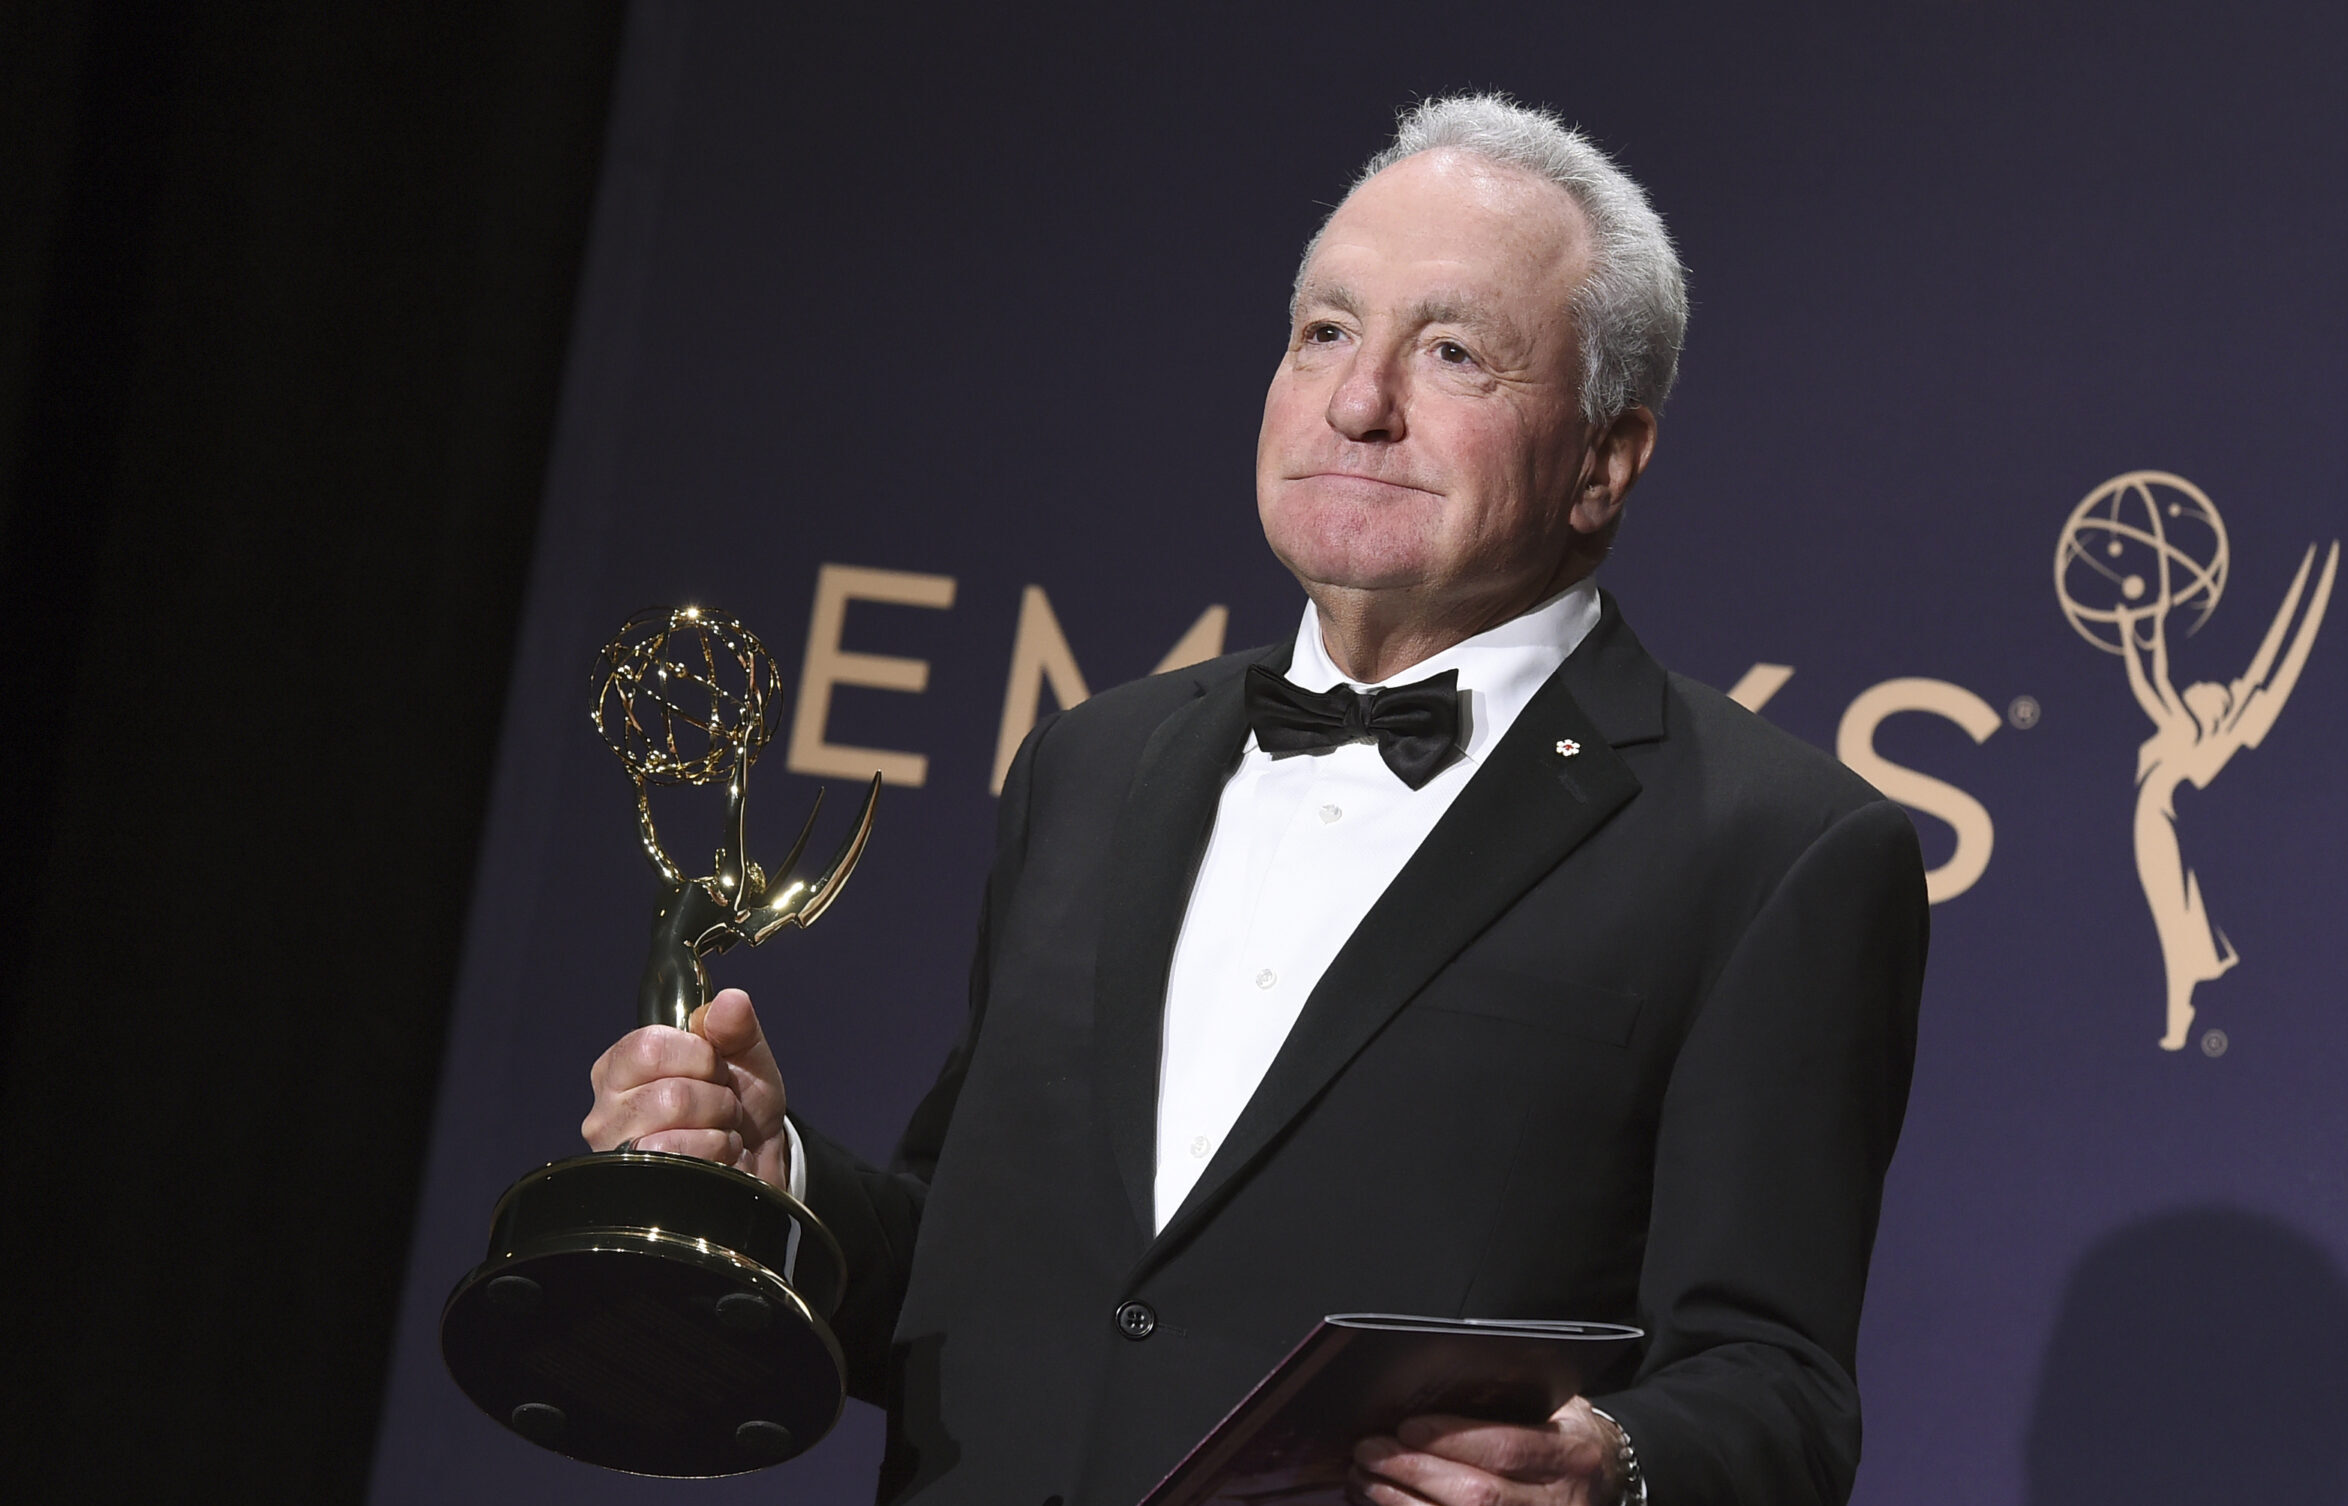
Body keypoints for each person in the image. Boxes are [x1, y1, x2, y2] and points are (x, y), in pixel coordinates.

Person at [583, 94, 1927, 1506]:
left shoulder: (1775, 848)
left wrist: (1616, 1467)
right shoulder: (1095, 764)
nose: (1361, 401)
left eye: (1453, 351)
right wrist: (771, 1175)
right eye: (1327, 332)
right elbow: (974, 1277)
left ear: (1605, 459)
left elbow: (1778, 1386)